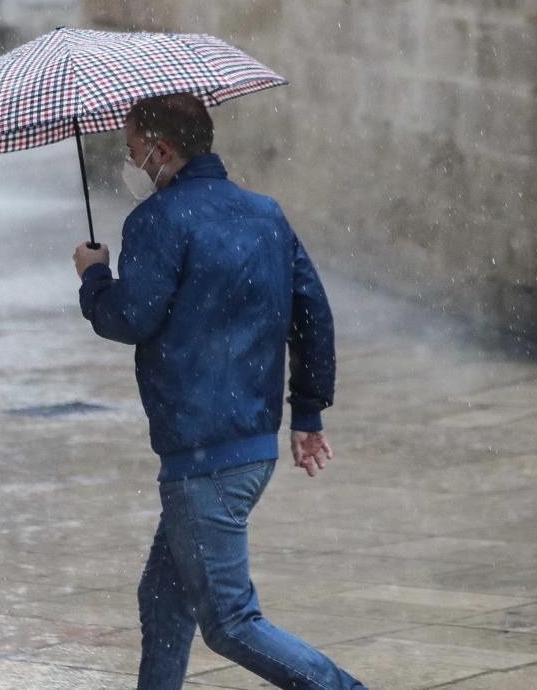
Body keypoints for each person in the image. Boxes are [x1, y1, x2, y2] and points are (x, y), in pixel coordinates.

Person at [71, 93, 366, 690]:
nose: (129, 164)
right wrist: (306, 413)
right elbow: (313, 315)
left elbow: (130, 318)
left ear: (163, 150)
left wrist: (94, 276)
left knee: (230, 622)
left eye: (132, 152)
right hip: (248, 444)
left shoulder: (157, 220)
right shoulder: (265, 213)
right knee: (163, 595)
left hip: (202, 454)